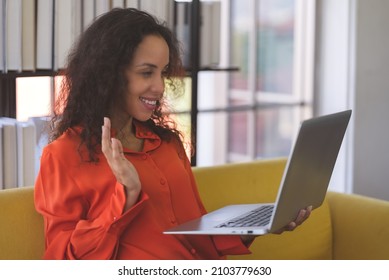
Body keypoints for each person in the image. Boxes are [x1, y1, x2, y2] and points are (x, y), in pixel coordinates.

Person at [34, 8, 311, 260]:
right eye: (146, 73)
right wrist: (126, 194)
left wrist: (255, 226)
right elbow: (61, 262)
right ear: (109, 74)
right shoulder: (62, 157)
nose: (159, 86)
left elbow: (198, 234)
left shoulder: (168, 144)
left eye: (164, 73)